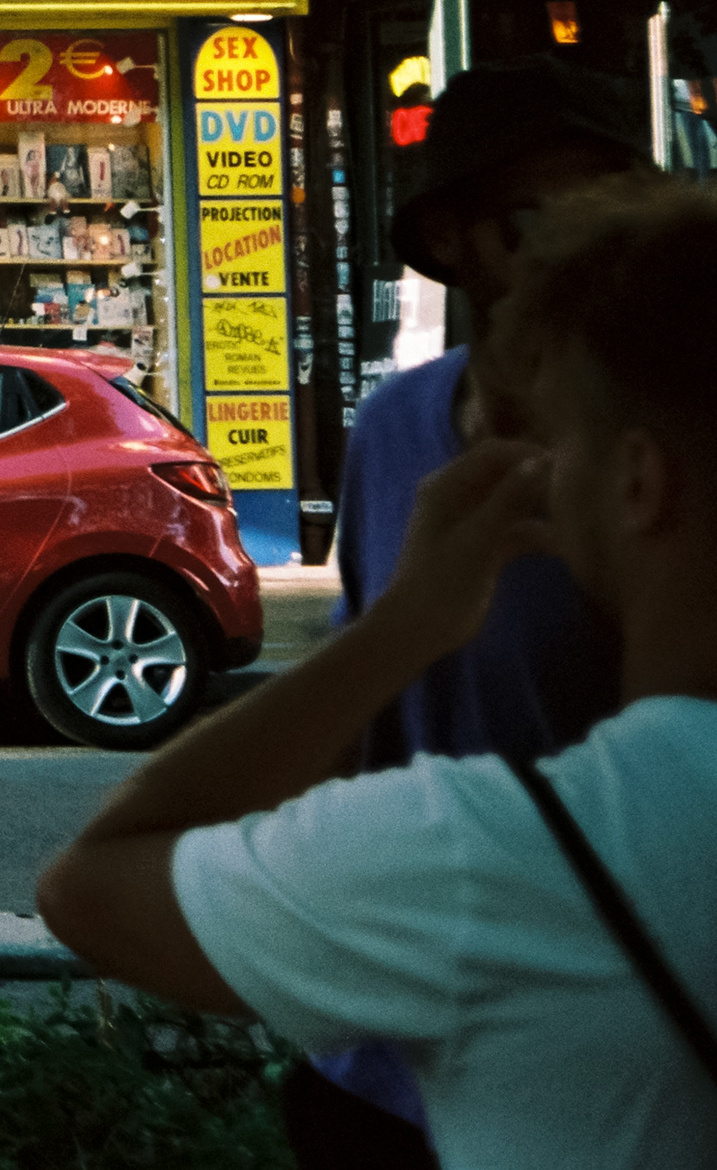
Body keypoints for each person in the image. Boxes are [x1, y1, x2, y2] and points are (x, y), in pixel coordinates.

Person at [38, 186, 717, 1169]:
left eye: (558, 442)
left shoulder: (496, 858)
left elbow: (93, 887)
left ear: (638, 481)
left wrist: (402, 627)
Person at [288, 62, 648, 1162]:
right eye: (539, 216)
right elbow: (366, 707)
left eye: (614, 209)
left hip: (595, 1043)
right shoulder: (397, 426)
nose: (581, 246)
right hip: (388, 1047)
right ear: (450, 237)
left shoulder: (679, 440)